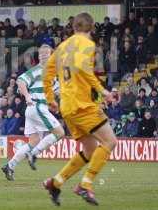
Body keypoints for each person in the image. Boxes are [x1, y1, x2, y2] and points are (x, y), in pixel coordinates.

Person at [43, 12, 117, 206]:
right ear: (91, 27)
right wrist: (103, 91)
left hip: (66, 106)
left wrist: (51, 99)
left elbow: (47, 73)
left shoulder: (61, 47)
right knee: (110, 141)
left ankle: (56, 182)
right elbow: (85, 72)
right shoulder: (88, 45)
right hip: (82, 105)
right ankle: (86, 184)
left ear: (74, 27)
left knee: (91, 148)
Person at [2, 45, 64, 181]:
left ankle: (10, 166)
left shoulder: (51, 73)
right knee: (60, 133)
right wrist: (28, 97)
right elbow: (20, 81)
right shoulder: (38, 70)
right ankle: (34, 154)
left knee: (34, 140)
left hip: (34, 109)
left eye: (46, 53)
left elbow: (58, 91)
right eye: (41, 53)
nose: (43, 55)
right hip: (36, 107)